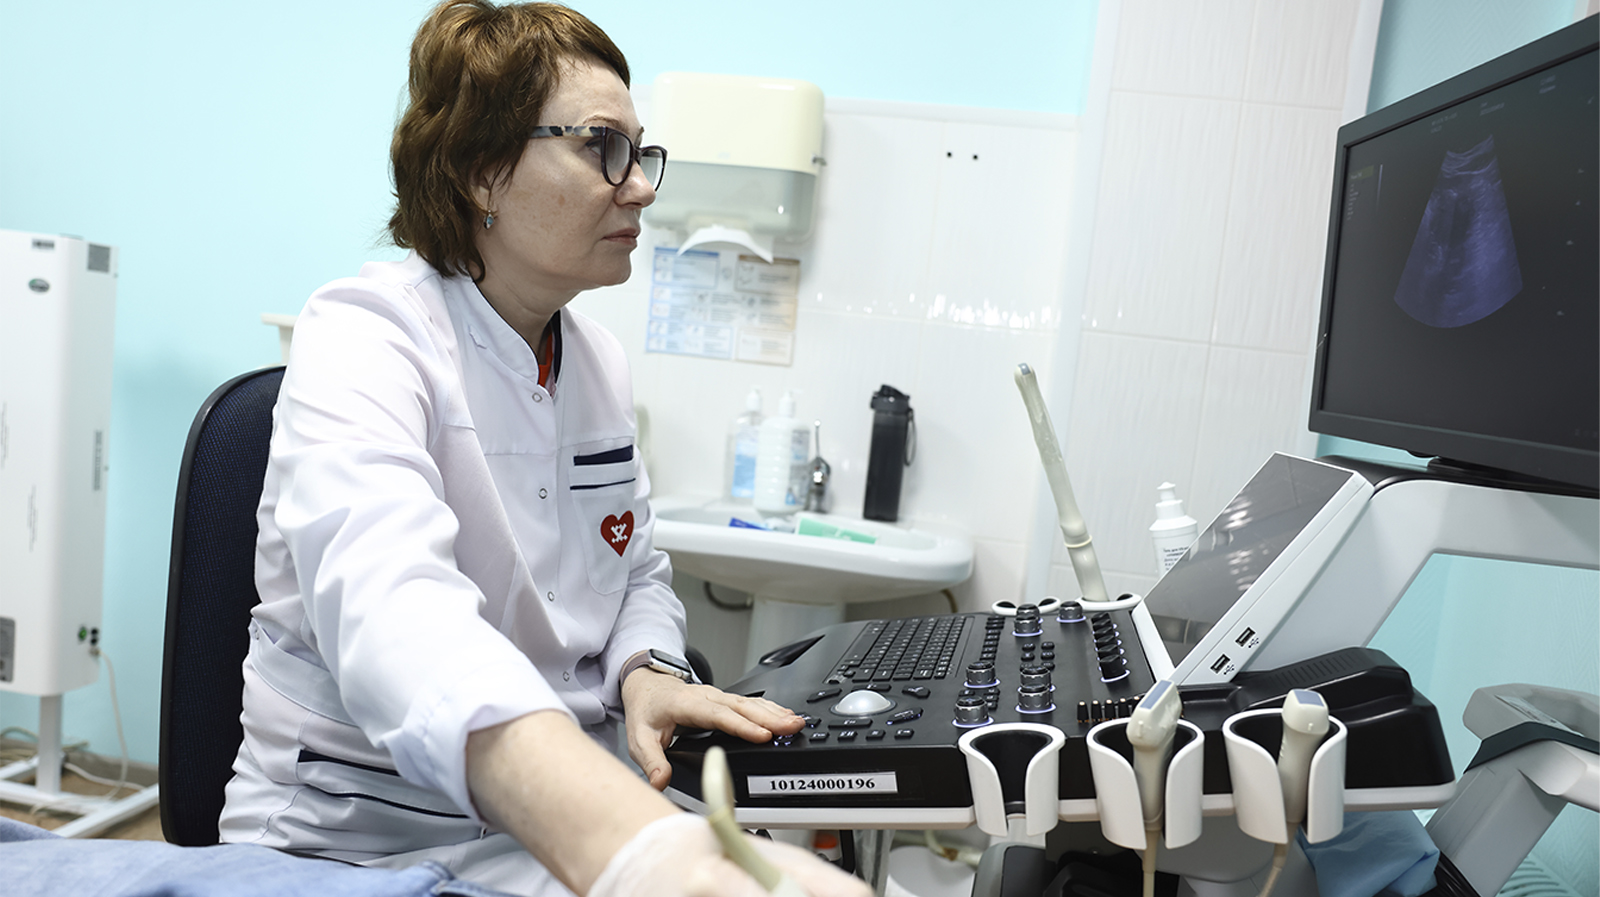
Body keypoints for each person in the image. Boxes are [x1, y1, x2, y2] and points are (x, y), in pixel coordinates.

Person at [216, 3, 870, 895]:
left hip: (556, 812)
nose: (640, 187)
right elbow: (394, 617)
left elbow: (636, 572)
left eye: (641, 153)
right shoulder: (365, 336)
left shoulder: (595, 359)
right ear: (482, 172)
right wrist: (638, 850)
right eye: (604, 147)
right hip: (361, 839)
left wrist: (647, 669)